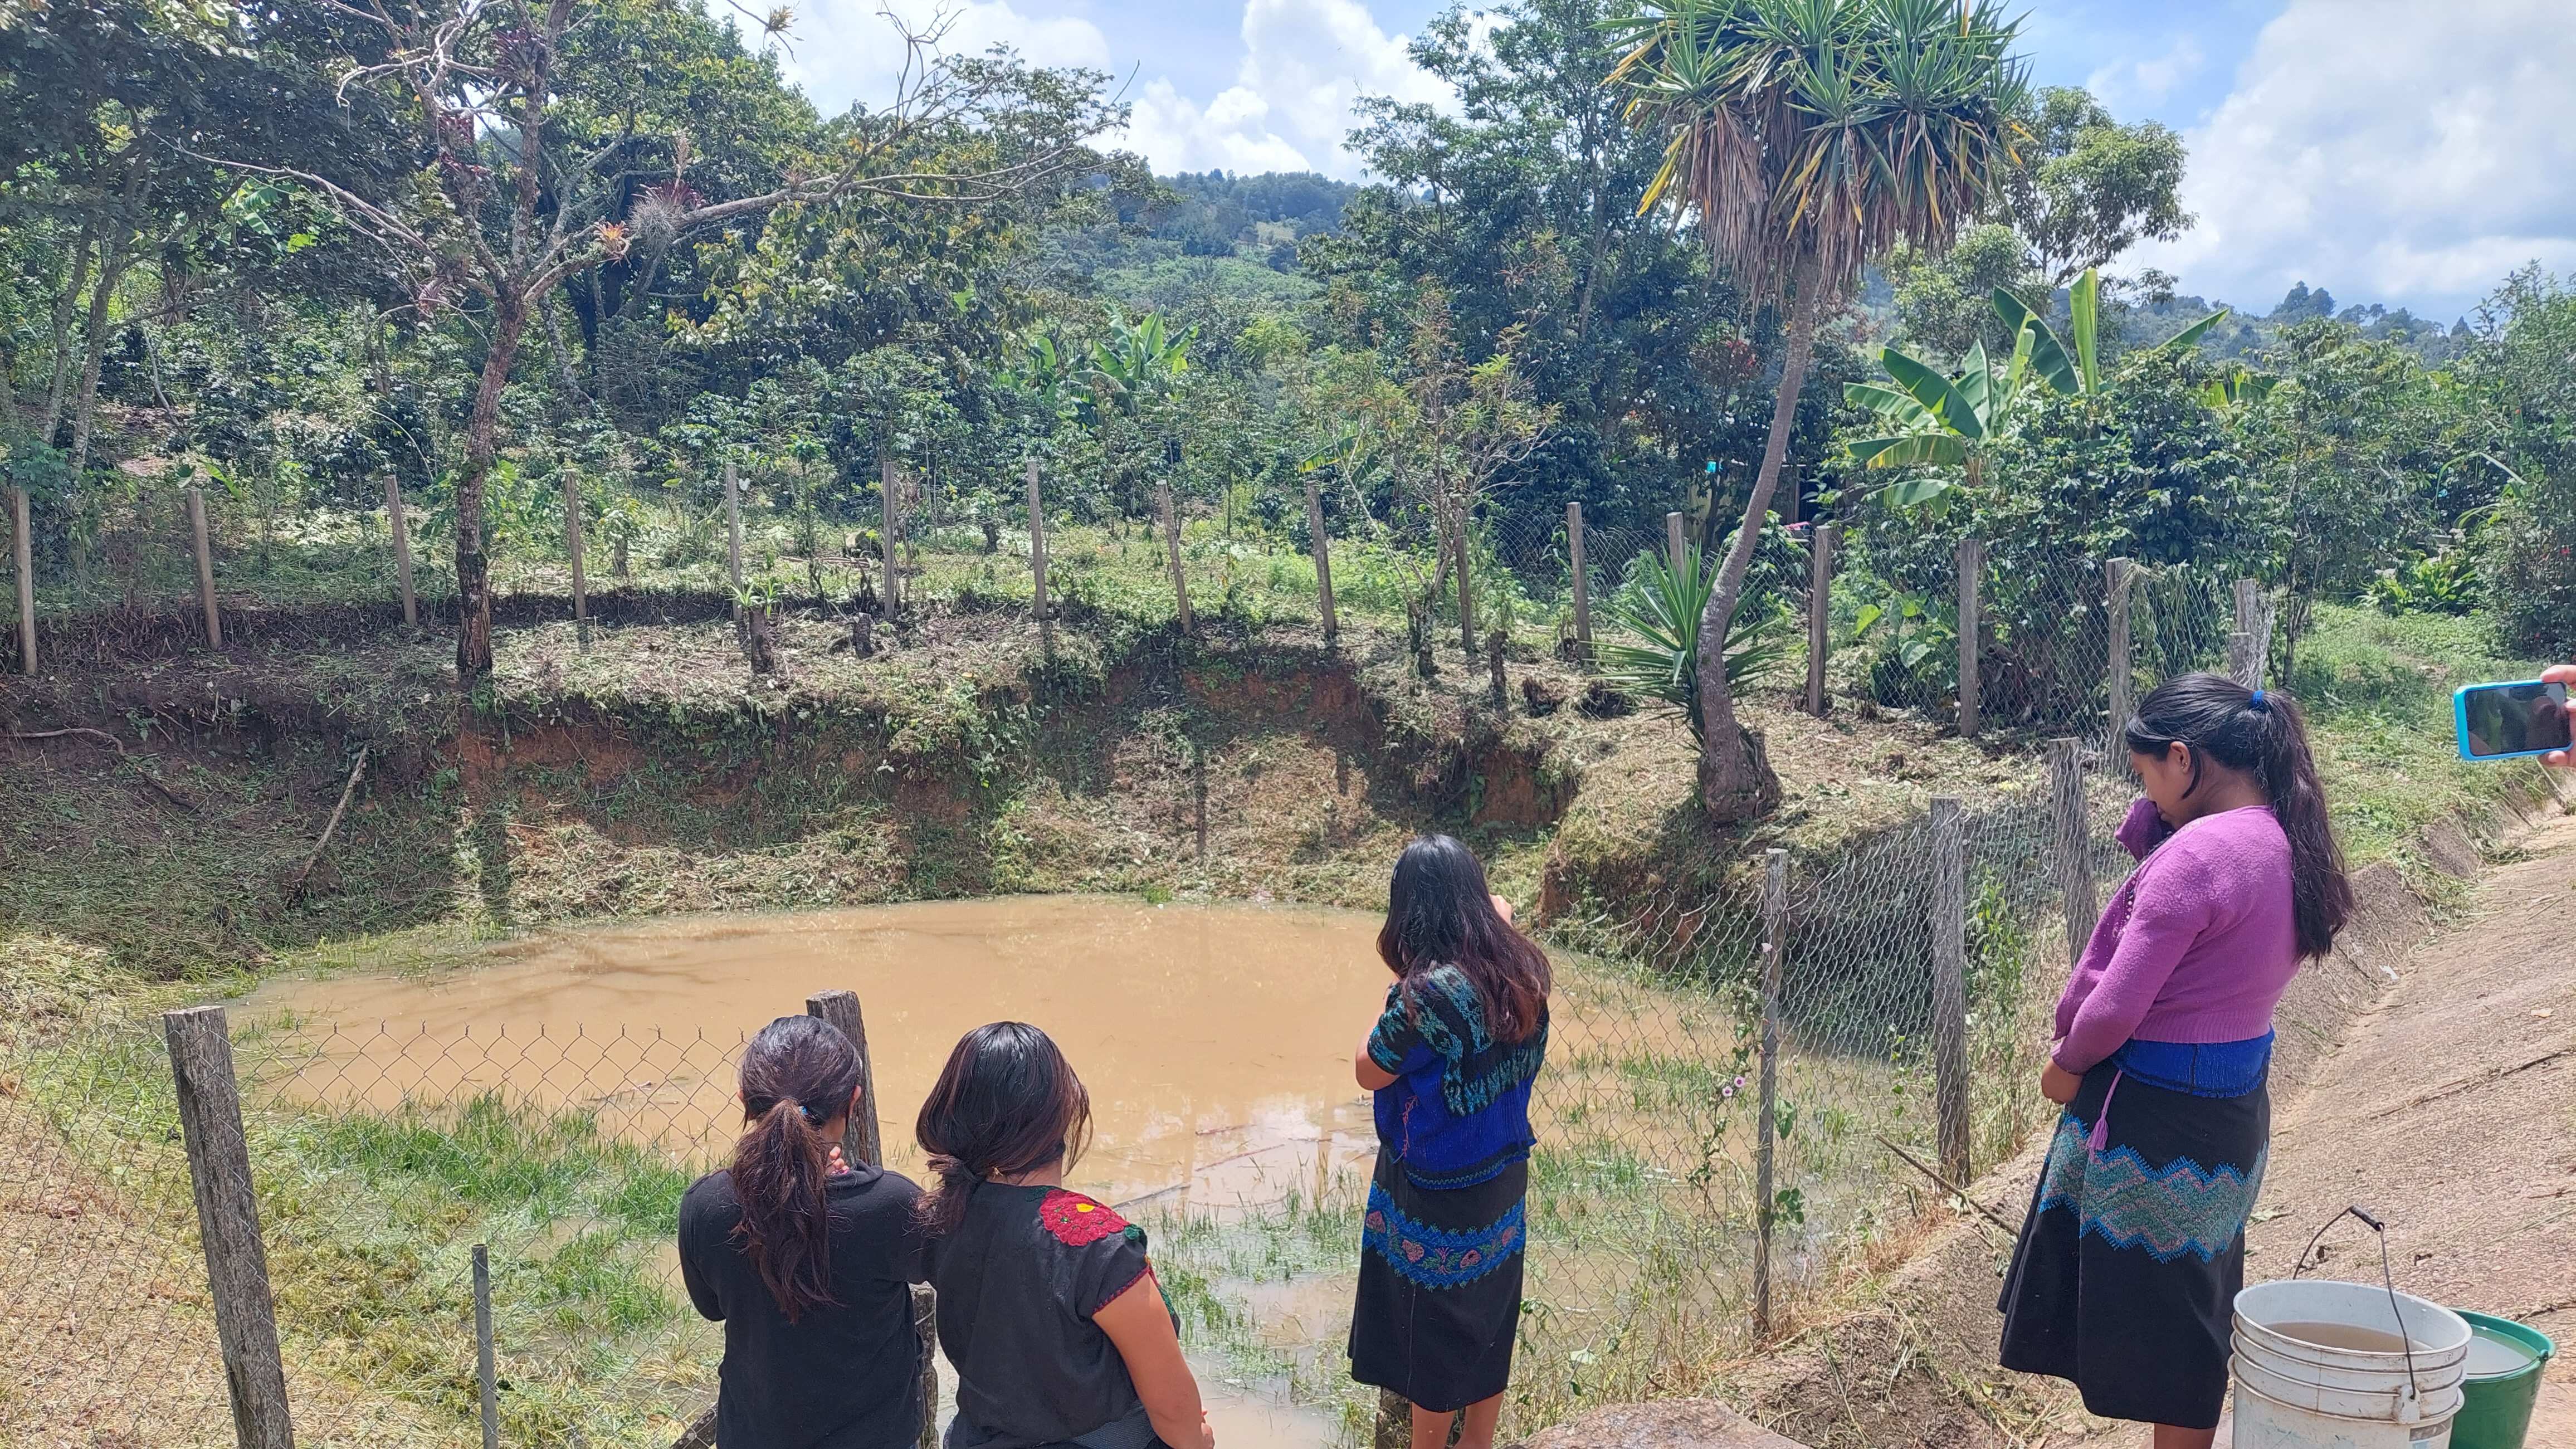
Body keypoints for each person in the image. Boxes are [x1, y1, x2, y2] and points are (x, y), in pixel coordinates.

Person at [1998, 673, 2355, 1449]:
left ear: (2184, 759)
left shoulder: (2198, 856)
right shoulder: (2284, 837)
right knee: (2197, 1297)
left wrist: (2065, 1067)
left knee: (2154, 1308)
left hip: (2156, 1121)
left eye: (2146, 774)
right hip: (2232, 1117)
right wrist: (2165, 823)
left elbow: (2118, 1004)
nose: (2148, 796)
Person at [915, 1022, 1214, 1449]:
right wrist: (1199, 1438)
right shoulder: (1095, 1240)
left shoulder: (941, 1218)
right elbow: (1172, 1407)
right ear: (1060, 1118)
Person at [1348, 835, 1552, 1449]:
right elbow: (1505, 905)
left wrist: (1401, 988)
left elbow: (1366, 1068)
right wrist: (1492, 916)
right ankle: (1478, 1442)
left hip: (1434, 1192)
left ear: (1408, 913)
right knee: (1487, 1314)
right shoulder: (1521, 969)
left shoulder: (1427, 999)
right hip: (1500, 1177)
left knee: (1426, 1331)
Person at [679, 1015, 926, 1448]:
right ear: (854, 1100)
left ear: (745, 1100)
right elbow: (952, 1272)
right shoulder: (891, 1204)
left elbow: (712, 1308)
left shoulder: (706, 1206)